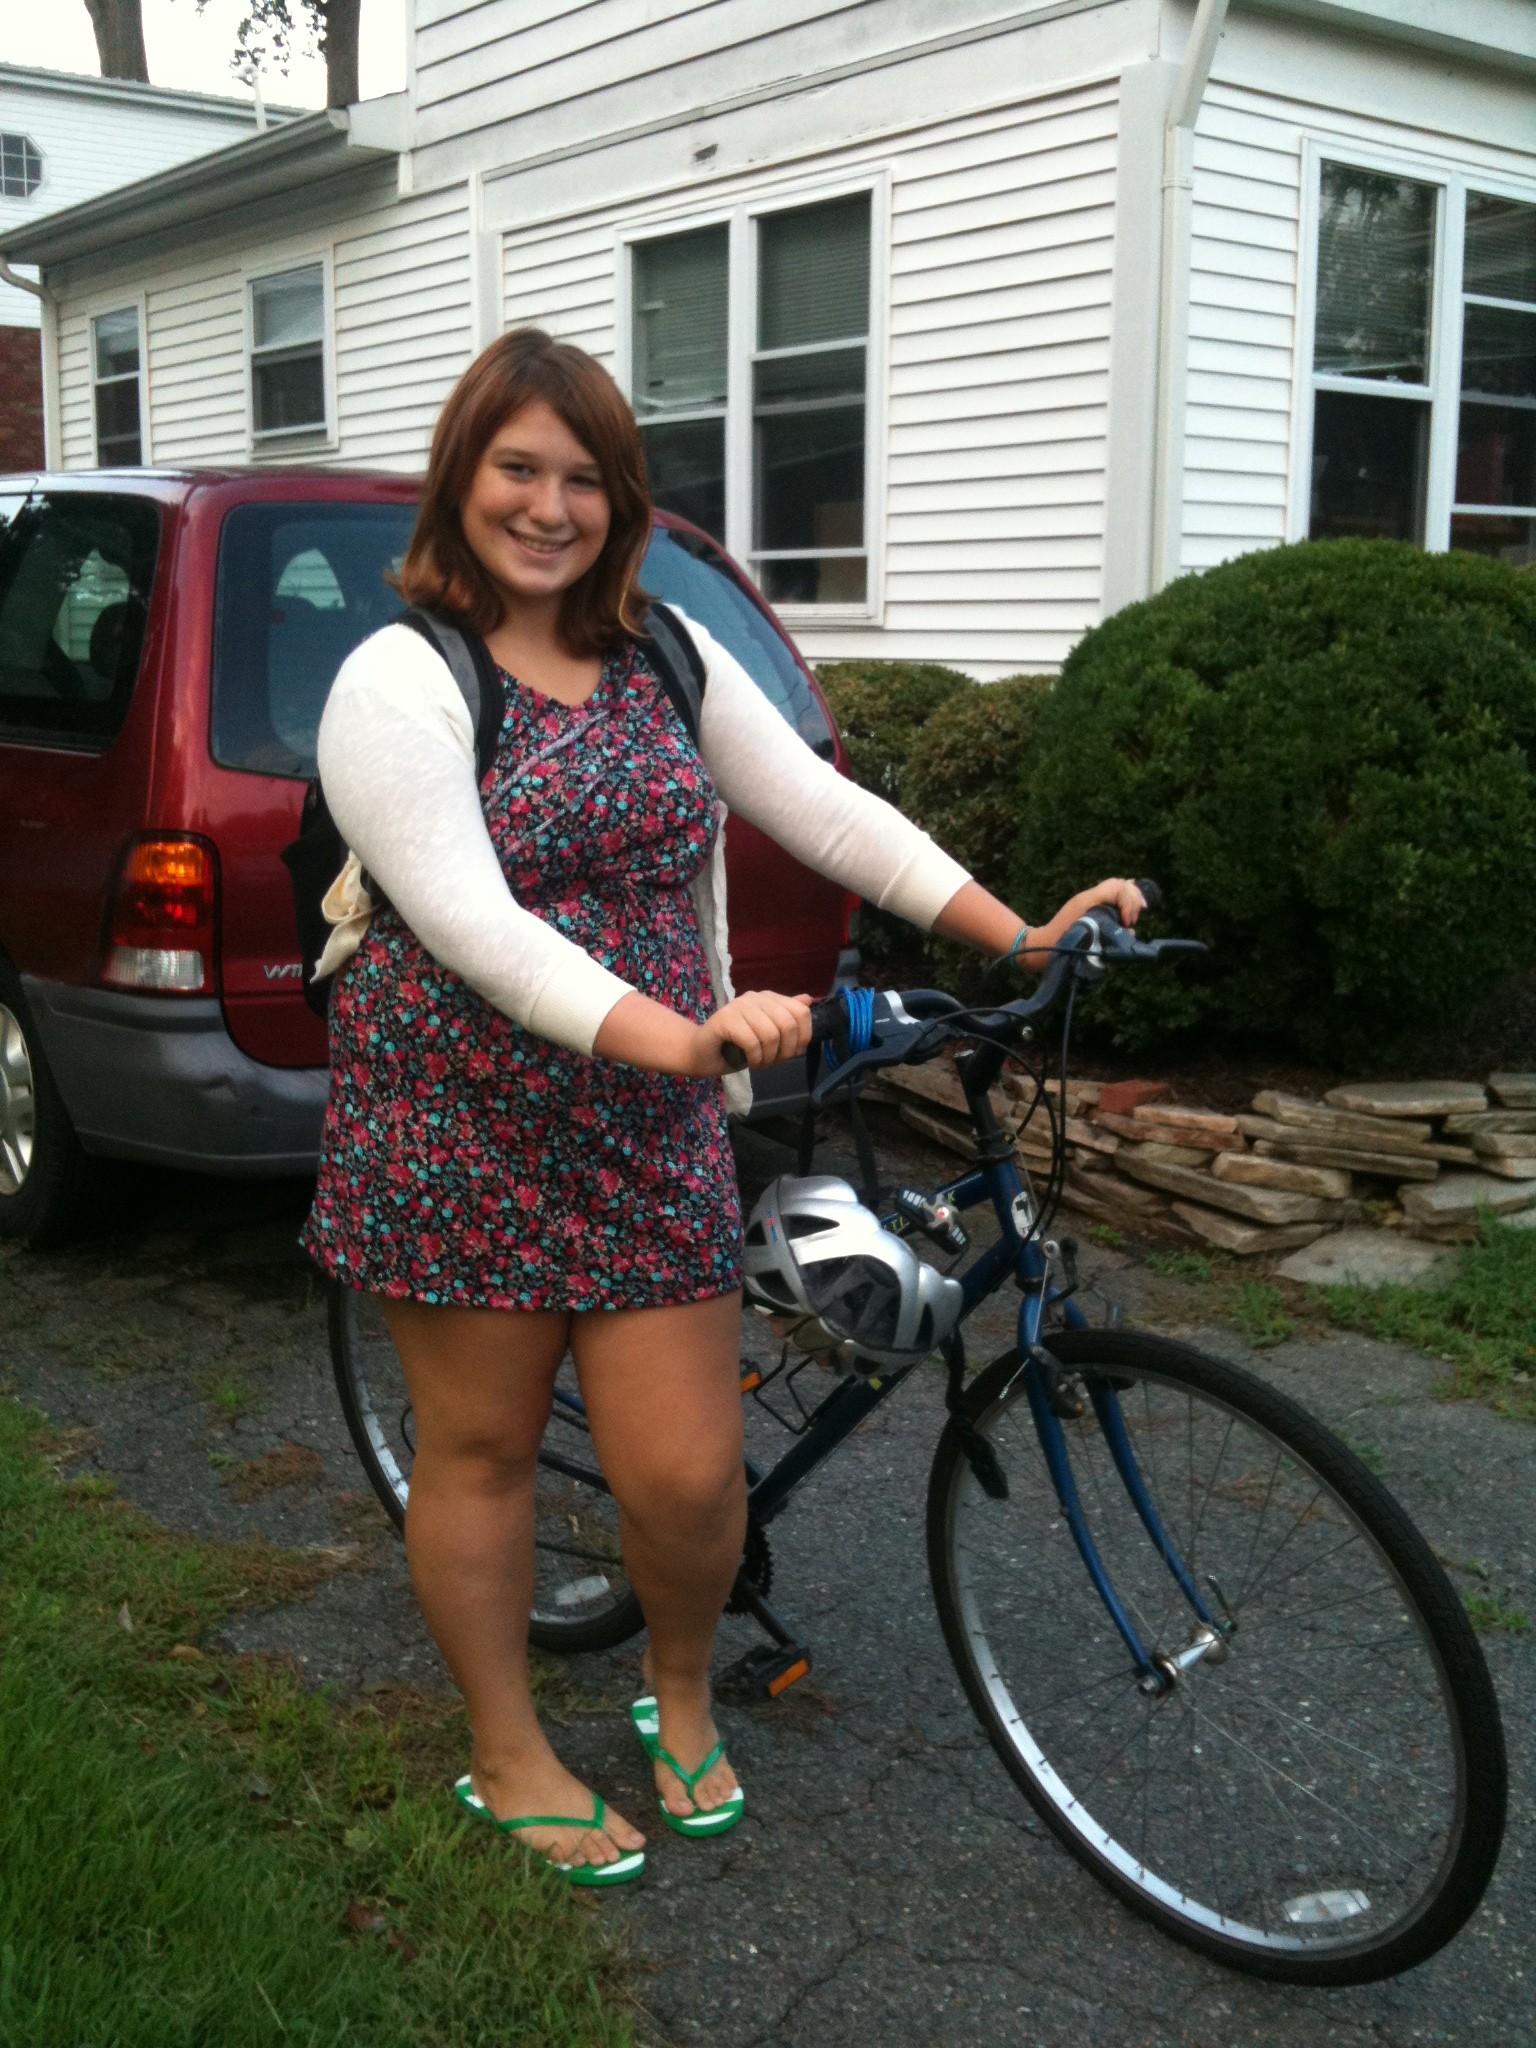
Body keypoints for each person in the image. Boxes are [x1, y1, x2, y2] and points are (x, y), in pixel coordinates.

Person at [302, 327, 1144, 1884]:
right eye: (517, 469)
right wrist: (686, 1040)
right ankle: (507, 1747)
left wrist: (1018, 935)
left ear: (623, 502)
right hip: (456, 1124)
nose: (550, 506)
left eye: (585, 478)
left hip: (645, 1124)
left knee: (688, 1476)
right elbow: (478, 931)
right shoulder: (398, 680)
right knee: (481, 1451)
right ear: (461, 479)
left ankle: (679, 1691)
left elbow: (828, 811)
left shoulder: (667, 653)